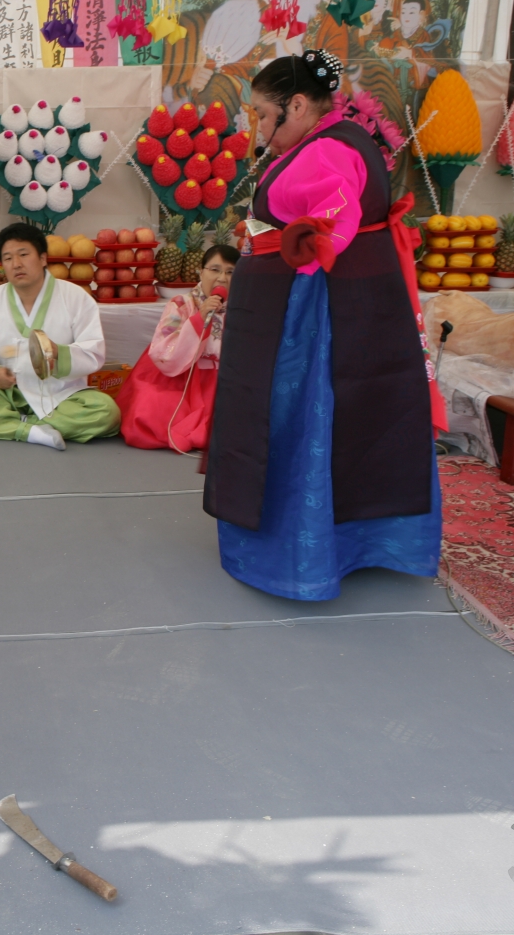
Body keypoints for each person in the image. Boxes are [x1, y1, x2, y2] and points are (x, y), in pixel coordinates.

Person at [205, 50, 443, 602]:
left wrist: (277, 252)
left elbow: (333, 228)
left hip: (317, 305)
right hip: (350, 293)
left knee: (304, 417)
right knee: (358, 418)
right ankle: (361, 542)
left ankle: (302, 553)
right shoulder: (336, 138)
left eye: (266, 116)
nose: (261, 130)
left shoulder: (328, 152)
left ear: (299, 104)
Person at [0, 222, 121, 449]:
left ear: (43, 258)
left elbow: (93, 353)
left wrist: (59, 353)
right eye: (7, 258)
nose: (16, 264)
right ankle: (32, 430)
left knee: (106, 412)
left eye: (23, 254)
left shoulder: (76, 298)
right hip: (5, 394)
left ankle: (14, 424)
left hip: (60, 395)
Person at [116, 244, 238, 452]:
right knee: (151, 408)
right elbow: (164, 346)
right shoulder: (181, 303)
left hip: (223, 377)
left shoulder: (244, 307)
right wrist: (199, 319)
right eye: (215, 270)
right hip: (179, 374)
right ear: (201, 271)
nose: (222, 278)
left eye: (230, 272)